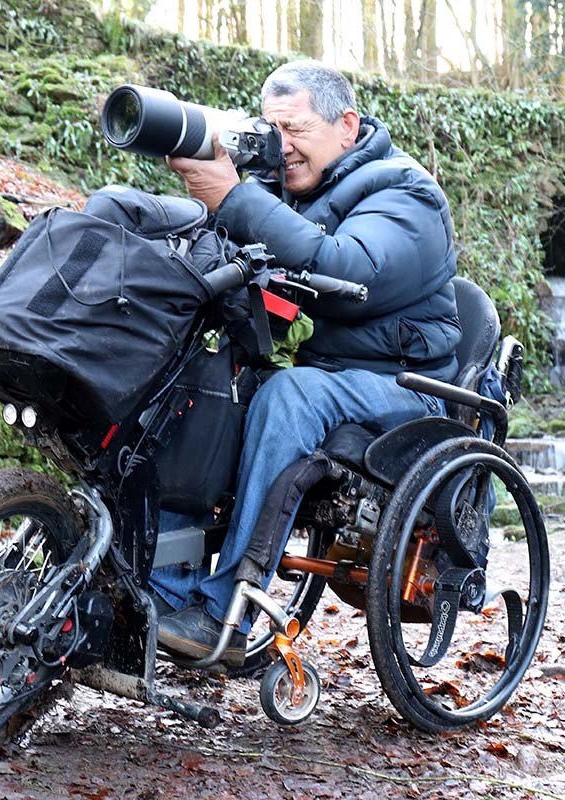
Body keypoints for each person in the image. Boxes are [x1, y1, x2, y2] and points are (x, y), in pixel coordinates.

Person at [149, 61, 462, 664]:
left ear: (347, 125)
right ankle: (159, 582)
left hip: (408, 388)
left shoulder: (406, 192)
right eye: (270, 130)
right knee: (201, 386)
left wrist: (234, 199)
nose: (281, 146)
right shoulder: (289, 190)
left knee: (292, 394)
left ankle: (226, 614)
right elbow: (261, 285)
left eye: (295, 129)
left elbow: (347, 269)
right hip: (331, 376)